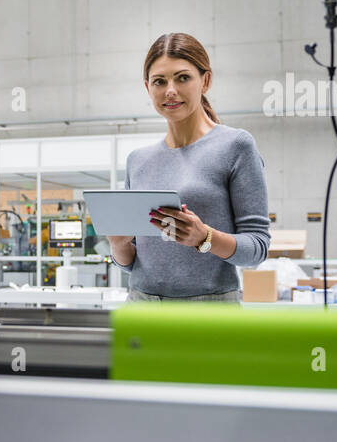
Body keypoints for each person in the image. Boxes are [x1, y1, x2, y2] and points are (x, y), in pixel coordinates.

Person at [104, 33, 270, 302]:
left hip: (209, 311)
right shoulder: (138, 160)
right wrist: (118, 244)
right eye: (159, 81)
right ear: (147, 87)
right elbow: (132, 263)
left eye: (182, 78)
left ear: (206, 80)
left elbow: (257, 249)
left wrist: (204, 237)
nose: (170, 90)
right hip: (141, 306)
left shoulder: (235, 146)